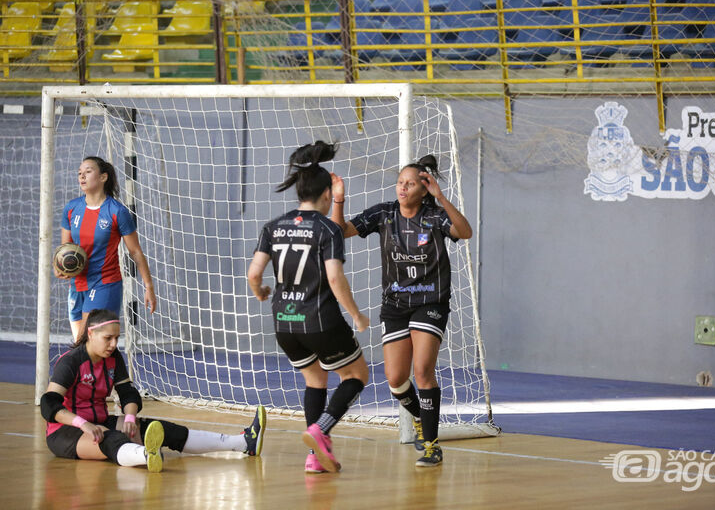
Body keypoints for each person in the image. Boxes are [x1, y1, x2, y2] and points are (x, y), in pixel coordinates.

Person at [331, 154, 472, 468]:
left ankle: (432, 446)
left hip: (429, 302)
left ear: (423, 189)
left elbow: (465, 232)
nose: (403, 188)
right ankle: (423, 419)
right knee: (395, 379)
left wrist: (442, 197)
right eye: (400, 182)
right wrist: (338, 198)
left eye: (410, 184)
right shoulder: (384, 214)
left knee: (422, 371)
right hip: (396, 306)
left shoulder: (435, 216)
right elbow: (340, 230)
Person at [247, 141, 370, 474]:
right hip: (320, 319)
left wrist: (260, 292)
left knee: (315, 380)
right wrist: (356, 314)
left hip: (285, 321)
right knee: (357, 374)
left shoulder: (272, 227)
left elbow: (254, 273)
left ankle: (315, 457)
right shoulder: (328, 229)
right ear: (327, 194)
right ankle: (321, 429)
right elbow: (334, 277)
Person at [40, 309, 266, 472]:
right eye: (108, 338)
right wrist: (83, 424)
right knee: (111, 439)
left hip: (100, 421)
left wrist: (130, 417)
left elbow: (128, 392)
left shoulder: (113, 357)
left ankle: (244, 443)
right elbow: (49, 403)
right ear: (90, 334)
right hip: (65, 432)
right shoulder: (70, 362)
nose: (113, 344)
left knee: (156, 428)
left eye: (117, 338)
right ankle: (146, 455)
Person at [56, 156, 157, 339]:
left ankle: (112, 368)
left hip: (105, 283)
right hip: (77, 285)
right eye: (79, 173)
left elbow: (135, 251)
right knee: (84, 349)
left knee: (87, 343)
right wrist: (60, 267)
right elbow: (65, 249)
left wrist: (148, 286)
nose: (82, 176)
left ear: (103, 177)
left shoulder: (117, 211)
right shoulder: (71, 209)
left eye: (88, 171)